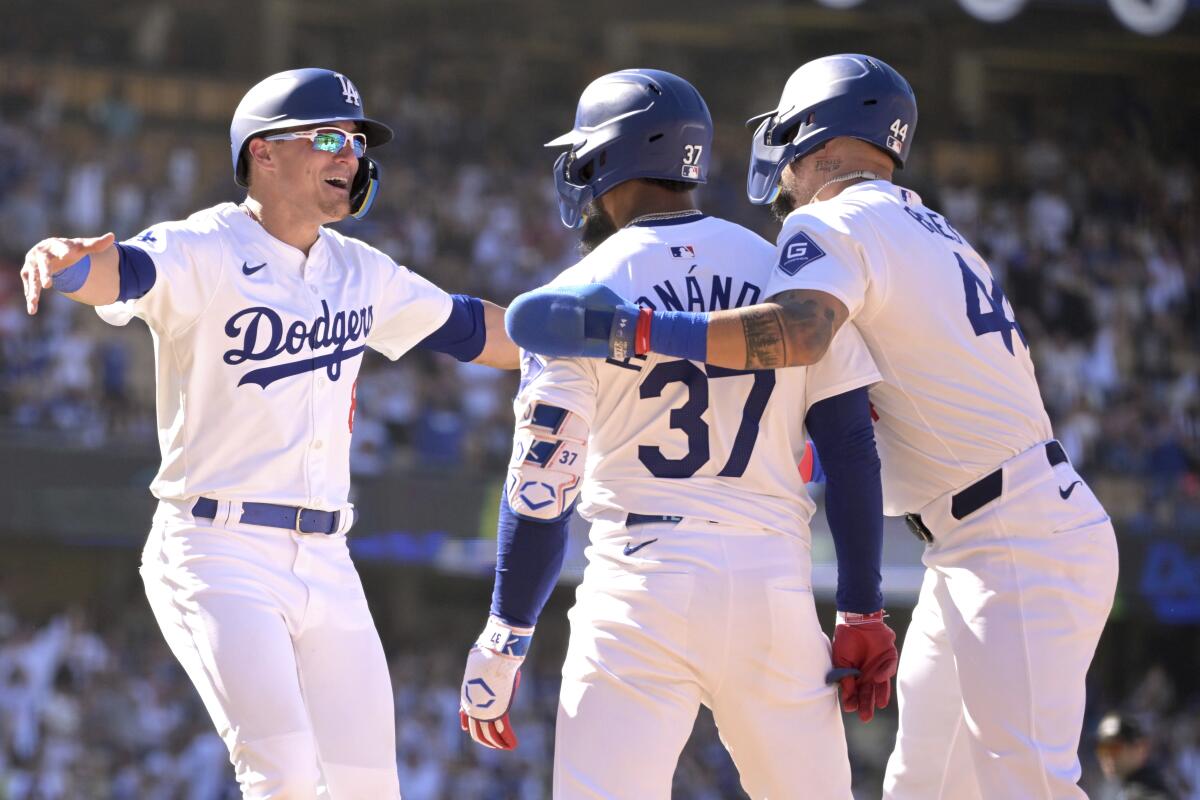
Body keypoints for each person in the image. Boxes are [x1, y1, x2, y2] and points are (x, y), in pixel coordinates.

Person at [504, 53, 1120, 799]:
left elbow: (798, 334)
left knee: (1030, 786)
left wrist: (634, 331)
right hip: (987, 532)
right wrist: (862, 603)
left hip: (1013, 535)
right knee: (921, 787)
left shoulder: (830, 222)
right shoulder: (928, 224)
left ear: (810, 135)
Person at [20, 68, 517, 798]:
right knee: (281, 776)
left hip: (327, 558)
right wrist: (68, 266)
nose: (348, 156)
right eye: (326, 137)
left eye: (353, 141)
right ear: (264, 153)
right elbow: (125, 272)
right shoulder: (207, 246)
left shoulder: (360, 269)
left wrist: (599, 340)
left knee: (369, 787)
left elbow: (477, 330)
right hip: (218, 548)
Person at [457, 68, 896, 799]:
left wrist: (505, 636)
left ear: (600, 161)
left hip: (639, 583)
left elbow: (542, 487)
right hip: (774, 584)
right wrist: (860, 607)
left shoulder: (575, 294)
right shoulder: (786, 270)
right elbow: (852, 450)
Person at [1095, 712, 1178, 800]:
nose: (1107, 756)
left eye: (1113, 748)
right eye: (1102, 748)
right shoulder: (1126, 789)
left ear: (1140, 748)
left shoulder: (1151, 792)